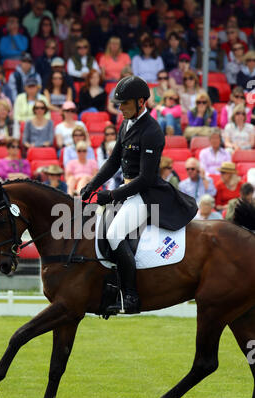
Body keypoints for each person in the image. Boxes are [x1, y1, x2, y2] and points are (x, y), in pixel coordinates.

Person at [80, 75, 198, 315]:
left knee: (113, 235)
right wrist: (92, 185)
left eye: (124, 103)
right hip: (127, 192)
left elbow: (144, 178)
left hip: (145, 195)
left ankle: (131, 296)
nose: (119, 107)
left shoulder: (152, 131)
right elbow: (113, 161)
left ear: (141, 102)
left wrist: (110, 195)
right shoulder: (126, 123)